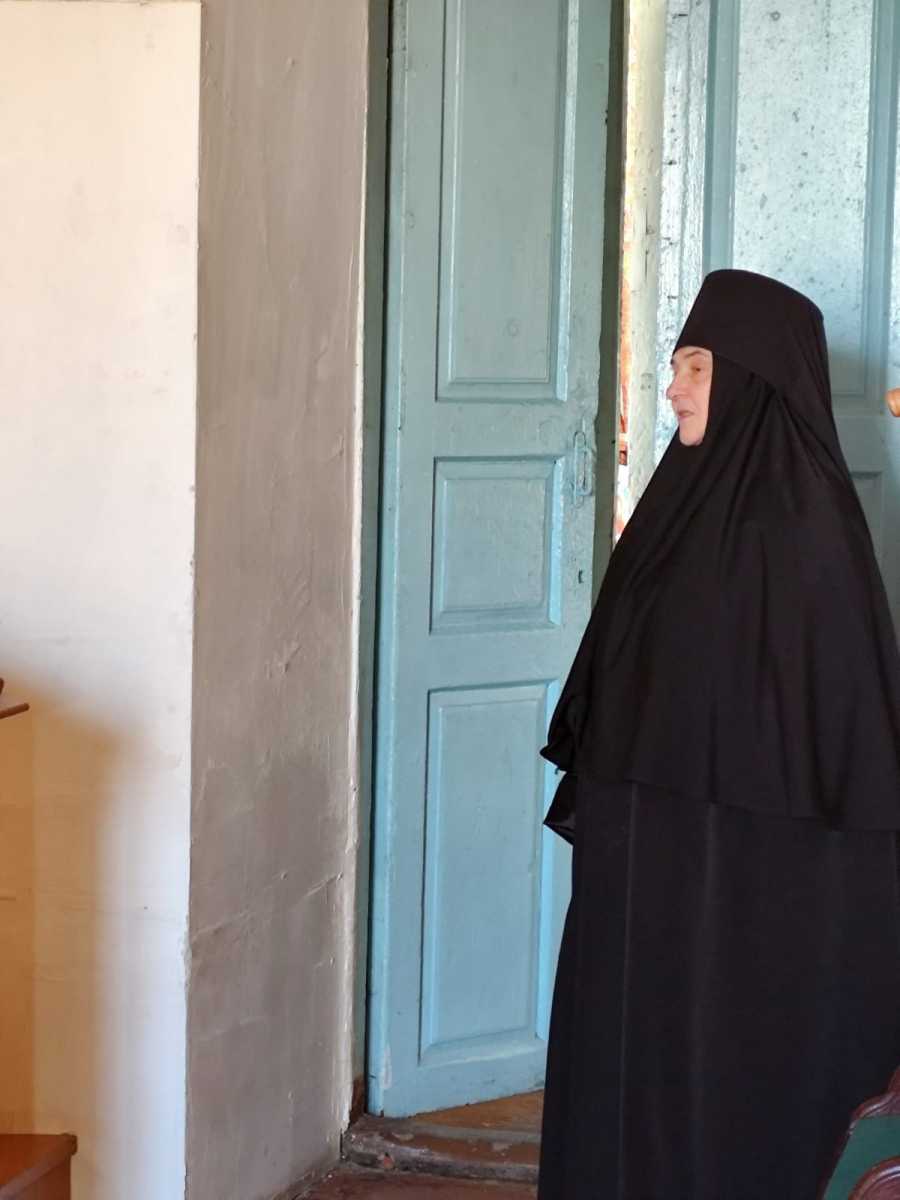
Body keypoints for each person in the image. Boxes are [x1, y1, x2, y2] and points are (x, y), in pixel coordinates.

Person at [536, 269, 900, 1200]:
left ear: (753, 377)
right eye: (676, 366)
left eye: (694, 365)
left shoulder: (812, 538)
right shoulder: (678, 509)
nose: (673, 388)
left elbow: (839, 756)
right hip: (648, 871)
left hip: (747, 894)